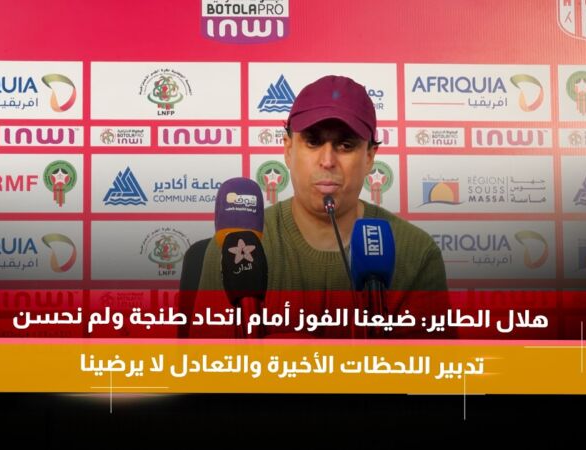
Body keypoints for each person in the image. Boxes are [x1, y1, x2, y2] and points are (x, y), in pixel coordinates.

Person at [191, 75, 447, 338]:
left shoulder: (417, 252)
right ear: (288, 149)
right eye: (313, 142)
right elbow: (204, 362)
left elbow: (430, 364)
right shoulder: (236, 247)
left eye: (345, 145)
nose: (327, 161)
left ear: (370, 157)